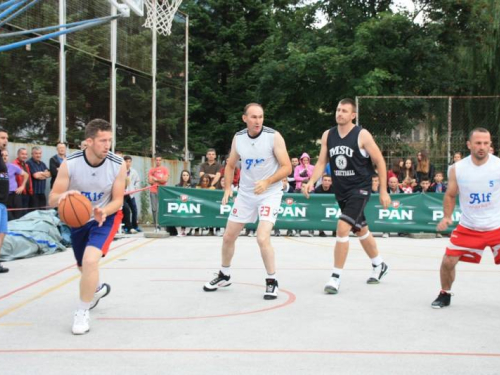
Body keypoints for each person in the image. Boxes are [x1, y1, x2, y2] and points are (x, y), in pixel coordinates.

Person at [302, 98, 390, 294]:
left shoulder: (362, 135)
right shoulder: (328, 135)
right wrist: (310, 182)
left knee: (342, 228)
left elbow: (380, 161)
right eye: (338, 109)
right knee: (360, 229)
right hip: (341, 191)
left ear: (353, 115)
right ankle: (379, 264)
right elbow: (321, 162)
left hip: (360, 188)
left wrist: (383, 190)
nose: (339, 113)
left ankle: (335, 277)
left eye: (344, 111)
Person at [203, 103, 291, 300]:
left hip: (270, 192)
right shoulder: (239, 138)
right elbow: (230, 164)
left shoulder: (273, 136)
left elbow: (287, 167)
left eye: (260, 117)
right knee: (228, 236)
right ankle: (224, 275)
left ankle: (272, 280)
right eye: (253, 117)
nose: (258, 121)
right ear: (245, 119)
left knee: (262, 237)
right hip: (245, 194)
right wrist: (227, 188)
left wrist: (268, 181)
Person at [49, 119, 126, 334]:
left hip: (105, 217)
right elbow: (52, 198)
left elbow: (118, 200)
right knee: (83, 267)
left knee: (90, 260)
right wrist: (65, 195)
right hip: (79, 219)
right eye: (103, 140)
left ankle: (82, 311)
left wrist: (105, 211)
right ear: (89, 141)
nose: (107, 145)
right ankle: (97, 289)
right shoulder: (70, 163)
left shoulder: (117, 164)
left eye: (109, 140)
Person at [433, 128, 500, 309]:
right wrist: (447, 217)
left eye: (486, 143)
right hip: (469, 226)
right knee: (448, 261)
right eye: (478, 143)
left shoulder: (498, 166)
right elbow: (450, 195)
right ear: (469, 144)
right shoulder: (457, 168)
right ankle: (444, 294)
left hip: (497, 226)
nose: (482, 147)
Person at [2, 150, 28, 220]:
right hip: (3, 196)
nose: (4, 157)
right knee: (7, 217)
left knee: (18, 215)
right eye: (2, 155)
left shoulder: (12, 166)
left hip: (15, 194)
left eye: (6, 155)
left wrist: (22, 186)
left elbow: (26, 175)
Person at [148, 155, 169, 232]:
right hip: (153, 191)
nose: (158, 161)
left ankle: (163, 224)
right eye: (156, 160)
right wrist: (160, 180)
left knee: (162, 208)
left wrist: (156, 179)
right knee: (154, 209)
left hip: (162, 191)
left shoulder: (165, 170)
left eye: (159, 160)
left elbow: (165, 180)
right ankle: (156, 226)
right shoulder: (151, 170)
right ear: (155, 161)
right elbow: (150, 181)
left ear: (161, 161)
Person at [0, 129, 10, 273]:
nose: (5, 140)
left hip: (3, 202)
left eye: (6, 138)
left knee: (2, 232)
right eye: (2, 137)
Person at [123, 155, 141, 234]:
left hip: (131, 194)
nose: (128, 163)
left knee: (134, 210)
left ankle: (135, 226)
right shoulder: (121, 171)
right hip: (123, 195)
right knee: (126, 210)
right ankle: (126, 227)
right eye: (126, 161)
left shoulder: (133, 171)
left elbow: (137, 181)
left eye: (129, 162)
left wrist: (135, 188)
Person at [12, 148, 33, 217]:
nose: (24, 156)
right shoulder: (14, 164)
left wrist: (30, 190)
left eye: (26, 154)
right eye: (22, 154)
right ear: (18, 154)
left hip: (26, 193)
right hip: (18, 194)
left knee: (25, 213)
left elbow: (29, 178)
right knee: (19, 214)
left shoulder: (26, 165)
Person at [176, 170, 195, 237]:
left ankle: (190, 230)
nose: (185, 177)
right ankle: (182, 230)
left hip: (190, 204)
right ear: (181, 176)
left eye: (187, 175)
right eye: (183, 175)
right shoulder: (177, 186)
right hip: (181, 204)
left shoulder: (193, 186)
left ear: (189, 176)